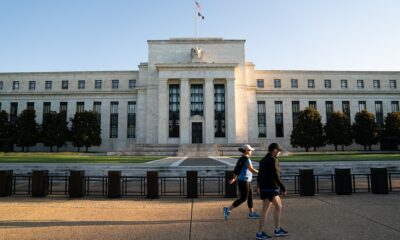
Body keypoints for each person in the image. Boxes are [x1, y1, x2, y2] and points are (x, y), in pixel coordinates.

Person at [256, 143, 288, 240]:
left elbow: (259, 174)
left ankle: (277, 229)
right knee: (265, 211)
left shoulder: (263, 160)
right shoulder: (273, 160)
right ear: (274, 150)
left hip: (265, 188)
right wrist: (283, 188)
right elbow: (276, 176)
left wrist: (258, 186)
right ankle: (260, 233)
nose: (279, 152)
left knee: (278, 206)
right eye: (278, 151)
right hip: (271, 188)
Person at [223, 144, 260, 220]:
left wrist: (234, 178)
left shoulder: (241, 159)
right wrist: (260, 172)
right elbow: (251, 169)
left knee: (250, 197)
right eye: (250, 150)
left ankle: (251, 213)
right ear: (247, 151)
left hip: (246, 180)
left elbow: (237, 169)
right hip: (244, 181)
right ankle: (228, 210)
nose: (251, 152)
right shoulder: (247, 159)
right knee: (243, 198)